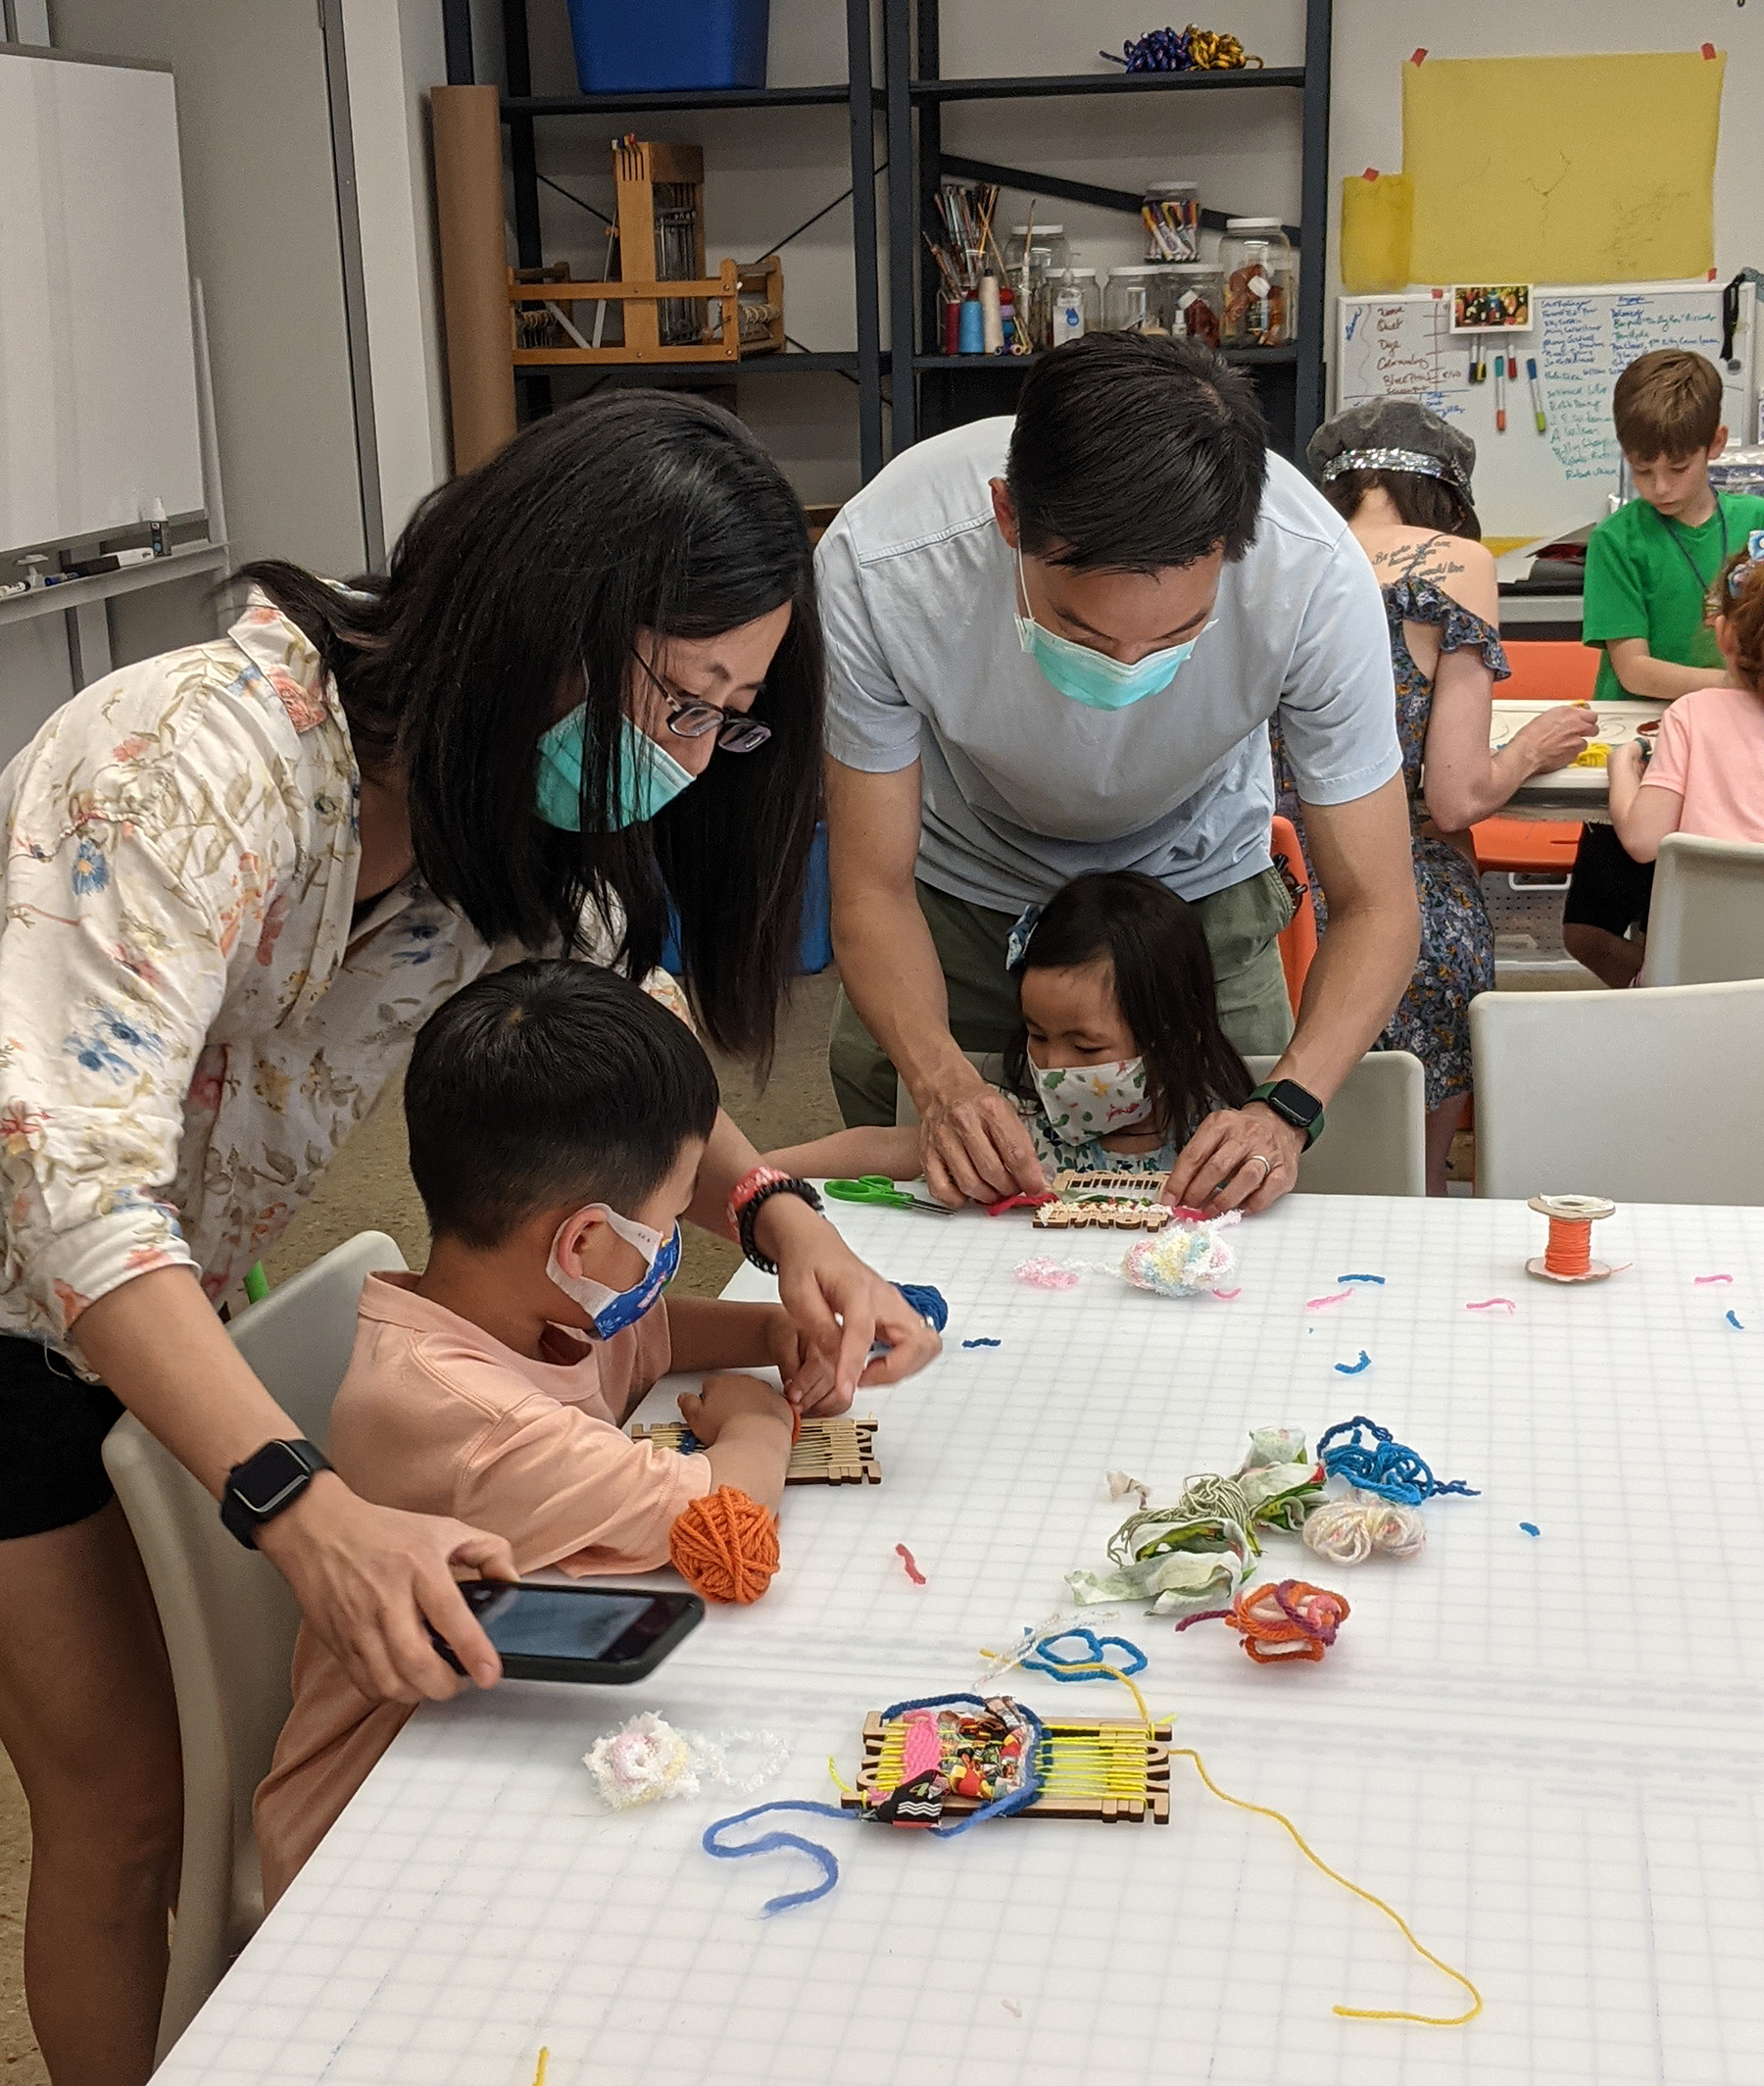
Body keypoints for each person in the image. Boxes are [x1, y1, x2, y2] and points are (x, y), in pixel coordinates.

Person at [0, 390, 937, 2084]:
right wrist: (300, 1503)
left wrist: (779, 1213)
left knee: (172, 1769)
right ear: (549, 607)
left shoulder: (491, 816)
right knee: (124, 1810)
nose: (687, 749)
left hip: (172, 1288)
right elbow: (68, 1192)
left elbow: (621, 1028)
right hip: (14, 1305)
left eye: (729, 716)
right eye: (678, 692)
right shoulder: (190, 759)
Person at [817, 332, 1419, 1222]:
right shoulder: (884, 565)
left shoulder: (1314, 579)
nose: (1127, 671)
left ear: (1235, 546)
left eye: (1178, 634)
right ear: (1009, 517)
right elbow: (870, 885)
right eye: (1085, 633)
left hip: (1196, 895)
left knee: (1231, 1207)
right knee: (938, 1203)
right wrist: (939, 1080)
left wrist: (1287, 1108)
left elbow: (1377, 903)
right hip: (959, 896)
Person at [254, 962, 800, 1906]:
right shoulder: (470, 1419)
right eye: (669, 1221)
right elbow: (729, 1522)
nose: (671, 1246)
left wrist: (775, 1332)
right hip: (376, 1822)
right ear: (584, 1243)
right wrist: (760, 1414)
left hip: (485, 1730)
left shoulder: (515, 1307)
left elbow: (651, 1335)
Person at [1288, 402, 1598, 1194]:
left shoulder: (1286, 553)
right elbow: (1456, 797)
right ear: (1450, 500)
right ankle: (1415, 1205)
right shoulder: (1457, 563)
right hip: (1398, 901)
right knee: (1445, 940)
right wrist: (1529, 750)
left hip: (1273, 896)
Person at [768, 870, 1250, 1185]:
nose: (1053, 1067)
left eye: (1085, 1047)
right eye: (1037, 1036)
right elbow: (878, 1149)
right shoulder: (1011, 1132)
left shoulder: (1219, 1144)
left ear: (1174, 1037)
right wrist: (749, 1172)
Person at [1565, 349, 1764, 986]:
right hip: (1654, 737)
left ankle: (1690, 997)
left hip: (1723, 748)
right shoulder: (1618, 540)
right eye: (1643, 469)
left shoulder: (1756, 524)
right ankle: (1678, 994)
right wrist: (1739, 685)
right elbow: (1637, 669)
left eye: (1678, 467)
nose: (1660, 487)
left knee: (1704, 912)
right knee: (1587, 932)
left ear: (1716, 445)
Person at [1608, 543, 1764, 861]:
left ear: (1722, 634)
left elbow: (1643, 841)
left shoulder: (1691, 715)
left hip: (1705, 911)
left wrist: (1621, 764)